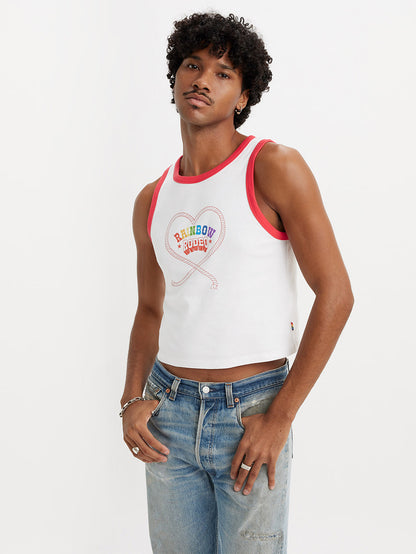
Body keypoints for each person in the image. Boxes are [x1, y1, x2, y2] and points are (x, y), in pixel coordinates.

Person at [119, 11, 354, 554]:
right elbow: (150, 309)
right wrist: (131, 399)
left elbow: (336, 294)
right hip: (169, 412)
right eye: (192, 65)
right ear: (174, 79)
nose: (202, 80)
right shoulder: (152, 199)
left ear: (244, 96)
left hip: (251, 411)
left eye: (223, 73)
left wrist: (279, 418)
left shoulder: (272, 166)